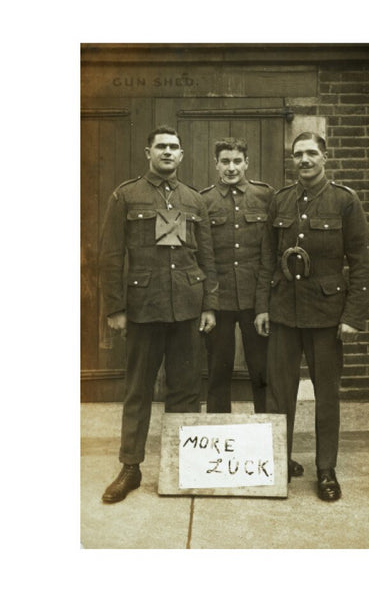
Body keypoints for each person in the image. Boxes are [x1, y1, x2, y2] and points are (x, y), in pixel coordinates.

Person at [99, 125, 218, 503]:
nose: (168, 152)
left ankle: (182, 465)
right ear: (148, 152)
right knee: (137, 390)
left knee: (185, 390)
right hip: (143, 309)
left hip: (185, 307)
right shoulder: (126, 196)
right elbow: (110, 256)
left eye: (174, 147)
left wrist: (209, 305)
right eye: (161, 147)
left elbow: (207, 257)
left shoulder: (193, 200)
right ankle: (131, 467)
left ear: (182, 155)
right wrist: (116, 308)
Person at [255, 132, 369, 500]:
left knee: (327, 396)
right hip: (283, 313)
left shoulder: (345, 201)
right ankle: (278, 464)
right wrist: (262, 306)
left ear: (325, 157)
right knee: (279, 395)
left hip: (326, 315)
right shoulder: (281, 200)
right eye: (298, 154)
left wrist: (353, 315)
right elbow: (266, 258)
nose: (304, 160)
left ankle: (326, 470)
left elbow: (361, 261)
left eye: (311, 153)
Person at [201, 137, 305, 480]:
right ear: (216, 164)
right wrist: (210, 307)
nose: (231, 167)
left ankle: (270, 451)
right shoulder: (204, 201)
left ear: (247, 163)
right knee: (218, 375)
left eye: (237, 161)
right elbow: (206, 259)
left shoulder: (265, 196)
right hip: (218, 304)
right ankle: (217, 457)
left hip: (255, 304)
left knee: (264, 376)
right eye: (225, 161)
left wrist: (263, 307)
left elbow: (268, 257)